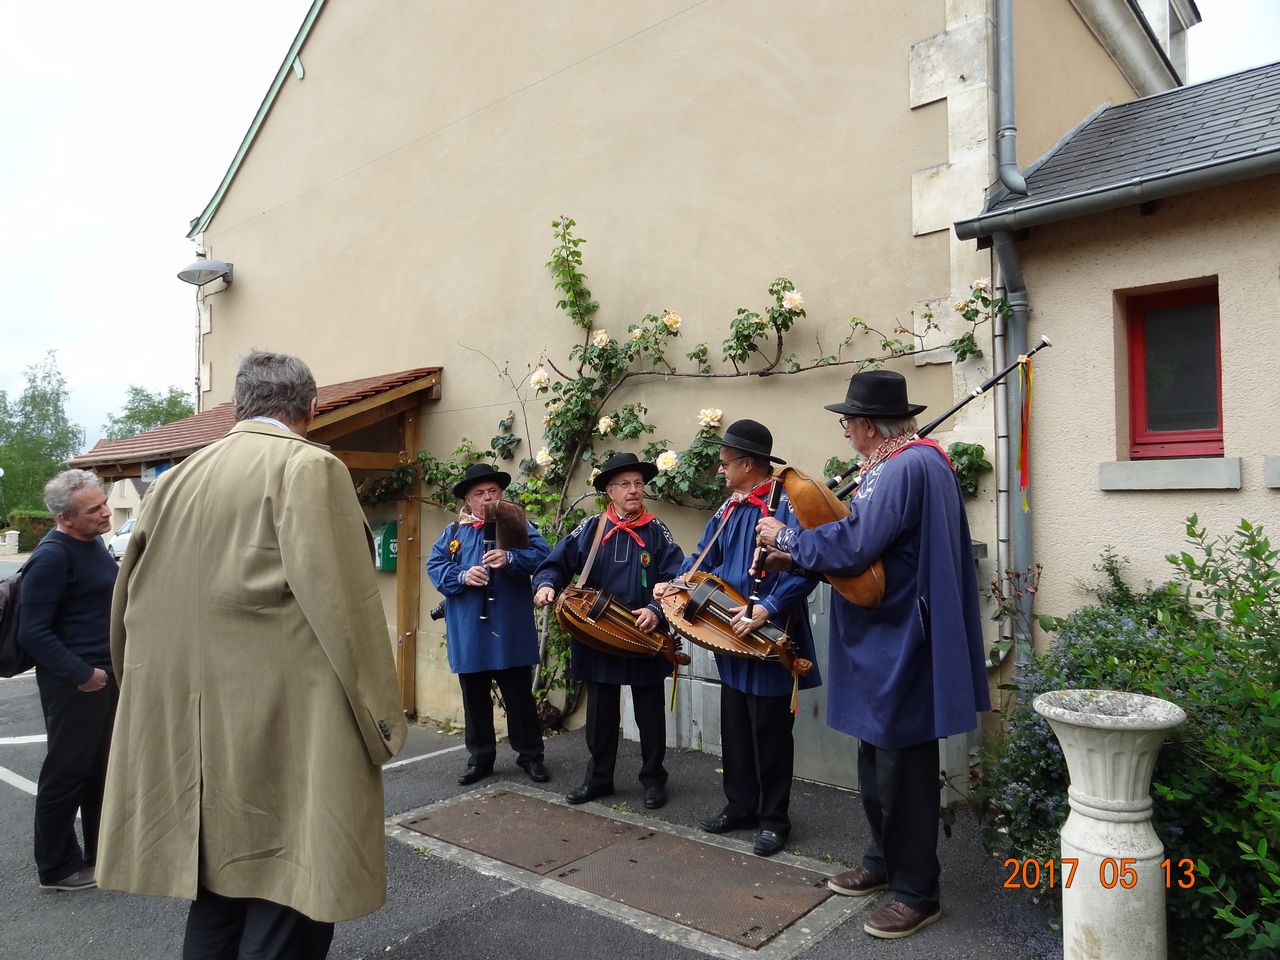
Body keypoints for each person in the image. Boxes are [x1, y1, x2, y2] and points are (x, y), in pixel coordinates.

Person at [97, 351, 408, 960]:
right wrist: (381, 724)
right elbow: (346, 612)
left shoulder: (175, 480)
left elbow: (126, 603)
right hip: (289, 728)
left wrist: (140, 696)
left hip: (194, 730)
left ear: (240, 406)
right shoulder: (309, 467)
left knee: (217, 894)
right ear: (311, 408)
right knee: (291, 890)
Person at [756, 369, 990, 940]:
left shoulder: (907, 465)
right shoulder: (899, 462)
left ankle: (917, 892)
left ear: (866, 424)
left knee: (903, 765)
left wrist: (786, 539)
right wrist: (801, 558)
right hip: (884, 633)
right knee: (876, 757)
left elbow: (858, 544)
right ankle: (883, 861)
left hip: (904, 636)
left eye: (847, 421)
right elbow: (870, 548)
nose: (844, 431)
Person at [655, 420, 820, 857]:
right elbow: (701, 558)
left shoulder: (786, 506)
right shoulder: (728, 508)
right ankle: (740, 806)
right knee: (736, 727)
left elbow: (809, 567)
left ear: (748, 464)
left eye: (726, 463)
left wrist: (769, 606)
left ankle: (774, 820)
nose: (720, 470)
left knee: (770, 732)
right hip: (729, 633)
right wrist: (676, 584)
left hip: (769, 637)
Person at [533, 453, 683, 810]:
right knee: (600, 713)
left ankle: (654, 780)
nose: (634, 490)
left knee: (649, 713)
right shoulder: (591, 528)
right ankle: (599, 778)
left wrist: (656, 610)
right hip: (598, 634)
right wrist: (546, 584)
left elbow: (678, 577)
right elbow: (556, 563)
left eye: (638, 484)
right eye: (625, 484)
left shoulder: (657, 530)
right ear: (609, 491)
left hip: (643, 634)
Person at [17, 469, 117, 893]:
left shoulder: (91, 544)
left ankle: (101, 853)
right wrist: (83, 674)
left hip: (103, 677)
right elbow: (32, 632)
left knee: (98, 770)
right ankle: (57, 868)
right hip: (76, 683)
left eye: (104, 503)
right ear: (65, 518)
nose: (105, 512)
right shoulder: (52, 557)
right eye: (93, 509)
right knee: (66, 773)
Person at [427, 462, 551, 786]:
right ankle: (480, 758)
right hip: (470, 630)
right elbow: (435, 566)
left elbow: (544, 556)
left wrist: (510, 558)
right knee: (474, 699)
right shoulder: (454, 532)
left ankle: (531, 756)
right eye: (479, 493)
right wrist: (462, 575)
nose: (487, 498)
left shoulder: (517, 525)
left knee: (519, 697)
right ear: (467, 499)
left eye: (493, 491)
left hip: (510, 628)